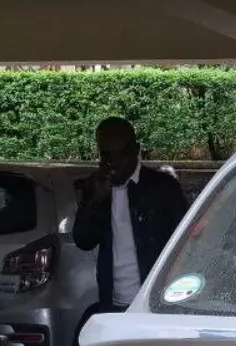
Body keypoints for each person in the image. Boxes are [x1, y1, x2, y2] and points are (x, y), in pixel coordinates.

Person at [72, 117, 189, 311]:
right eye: (106, 156)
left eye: (121, 155)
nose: (113, 164)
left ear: (136, 150)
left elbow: (185, 243)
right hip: (114, 304)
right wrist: (95, 201)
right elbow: (83, 240)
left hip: (155, 302)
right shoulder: (98, 186)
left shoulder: (162, 188)